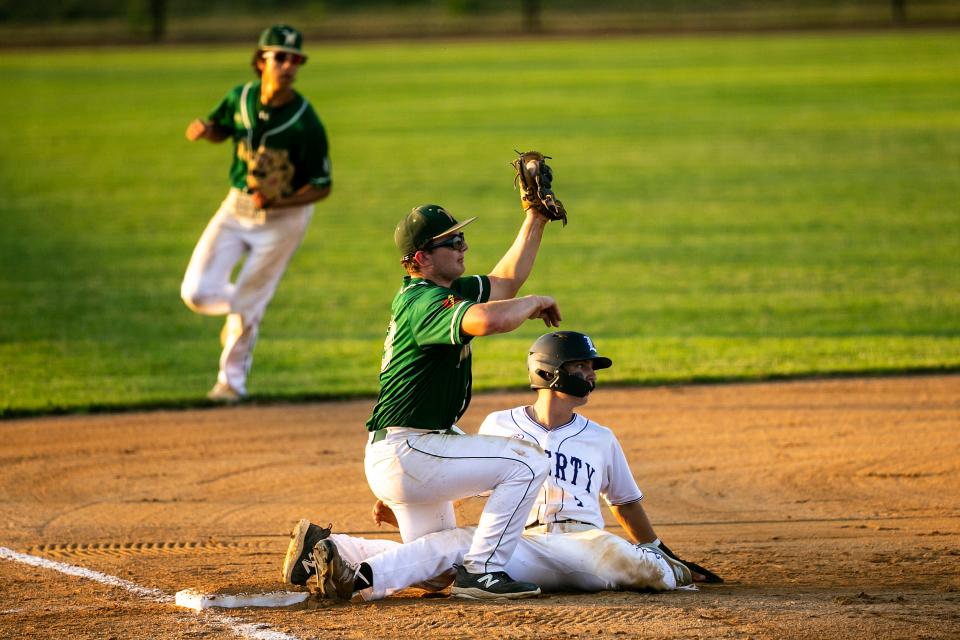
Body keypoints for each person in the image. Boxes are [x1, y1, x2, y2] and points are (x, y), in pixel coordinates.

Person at [282, 331, 722, 601]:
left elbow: (625, 503)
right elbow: (463, 475)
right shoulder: (500, 425)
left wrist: (661, 549)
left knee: (645, 568)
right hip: (520, 546)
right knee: (455, 549)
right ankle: (338, 557)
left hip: (581, 542)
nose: (591, 375)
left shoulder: (601, 437)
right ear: (550, 372)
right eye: (582, 366)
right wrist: (402, 502)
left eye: (593, 367)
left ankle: (664, 569)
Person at [285, 201, 564, 599]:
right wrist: (535, 302)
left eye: (462, 237)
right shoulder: (423, 302)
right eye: (452, 242)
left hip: (408, 452)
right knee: (529, 462)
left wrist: (534, 218)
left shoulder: (445, 290)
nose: (463, 246)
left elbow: (505, 280)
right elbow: (489, 320)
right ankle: (484, 572)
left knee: (437, 570)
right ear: (421, 258)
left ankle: (332, 553)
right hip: (411, 449)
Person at [180, 24, 332, 402]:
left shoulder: (305, 121)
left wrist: (280, 202)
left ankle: (230, 385)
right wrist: (206, 129)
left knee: (246, 307)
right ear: (260, 61)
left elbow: (322, 185)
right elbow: (222, 128)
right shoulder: (240, 97)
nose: (288, 65)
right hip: (235, 208)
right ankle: (249, 302)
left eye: (295, 59)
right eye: (279, 56)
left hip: (283, 222)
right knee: (196, 292)